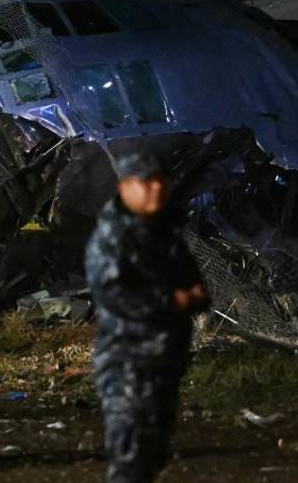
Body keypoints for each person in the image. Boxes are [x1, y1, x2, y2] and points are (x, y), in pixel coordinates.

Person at [84, 152, 209, 483]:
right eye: (145, 182)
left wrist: (190, 296)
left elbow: (190, 278)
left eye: (159, 181)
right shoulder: (114, 238)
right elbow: (117, 294)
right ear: (125, 188)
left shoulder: (162, 232)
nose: (155, 189)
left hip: (163, 360)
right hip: (129, 362)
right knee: (131, 459)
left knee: (152, 456)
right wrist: (174, 300)